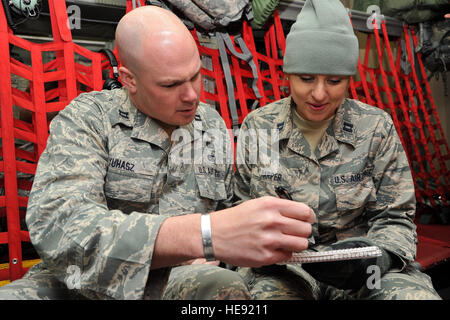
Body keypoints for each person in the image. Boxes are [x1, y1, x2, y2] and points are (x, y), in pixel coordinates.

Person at [0, 6, 316, 300]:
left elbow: (229, 212)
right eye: (170, 85)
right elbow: (62, 228)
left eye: (195, 75)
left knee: (229, 289)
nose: (192, 95)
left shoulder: (210, 125)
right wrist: (201, 234)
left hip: (181, 280)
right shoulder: (89, 119)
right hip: (86, 284)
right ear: (129, 80)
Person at [234, 0, 442, 300]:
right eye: (306, 78)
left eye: (334, 81)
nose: (319, 94)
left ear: (349, 79)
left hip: (362, 270)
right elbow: (238, 212)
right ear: (287, 74)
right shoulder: (258, 127)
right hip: (283, 270)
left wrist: (377, 257)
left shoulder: (375, 127)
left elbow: (395, 217)